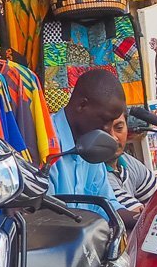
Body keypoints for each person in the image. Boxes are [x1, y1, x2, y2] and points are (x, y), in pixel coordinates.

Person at [49, 69, 128, 216]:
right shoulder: (45, 143)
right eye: (105, 120)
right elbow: (49, 218)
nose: (109, 131)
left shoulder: (93, 142)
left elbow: (108, 204)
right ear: (82, 105)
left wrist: (143, 220)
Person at [103, 113, 157, 212]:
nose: (114, 137)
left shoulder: (127, 162)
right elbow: (137, 214)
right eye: (104, 131)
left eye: (119, 128)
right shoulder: (96, 171)